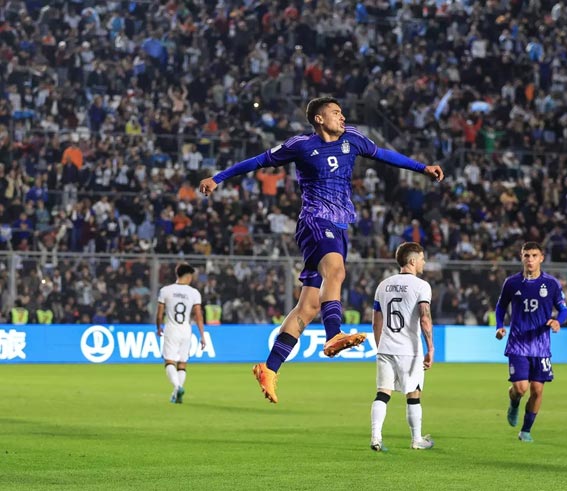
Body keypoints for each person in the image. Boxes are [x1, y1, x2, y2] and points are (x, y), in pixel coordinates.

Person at [199, 96, 444, 403]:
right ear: (319, 119)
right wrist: (218, 178)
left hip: (339, 225)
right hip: (315, 220)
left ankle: (269, 368)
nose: (343, 117)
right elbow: (258, 161)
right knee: (336, 271)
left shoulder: (353, 138)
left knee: (308, 307)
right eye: (336, 113)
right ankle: (333, 334)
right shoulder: (301, 145)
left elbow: (384, 155)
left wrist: (422, 168)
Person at [494, 242, 567, 443]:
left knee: (537, 390)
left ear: (541, 258)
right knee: (520, 388)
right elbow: (501, 307)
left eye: (534, 255)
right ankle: (514, 402)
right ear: (521, 257)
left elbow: (563, 309)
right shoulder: (512, 283)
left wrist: (557, 321)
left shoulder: (551, 284)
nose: (530, 259)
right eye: (526, 255)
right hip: (518, 343)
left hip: (541, 346)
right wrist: (499, 326)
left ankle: (525, 430)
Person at [369, 242, 435, 451]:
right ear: (413, 261)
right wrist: (431, 348)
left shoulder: (383, 285)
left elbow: (376, 322)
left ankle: (376, 438)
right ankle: (417, 439)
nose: (424, 262)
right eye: (422, 258)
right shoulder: (421, 286)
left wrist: (380, 346)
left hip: (386, 348)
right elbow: (425, 318)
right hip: (409, 351)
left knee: (382, 393)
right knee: (413, 394)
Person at [156, 263, 206, 404]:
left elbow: (159, 314)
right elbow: (198, 315)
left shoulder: (165, 290)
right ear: (188, 276)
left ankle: (177, 387)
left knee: (169, 361)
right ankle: (176, 393)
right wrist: (202, 335)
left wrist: (158, 327)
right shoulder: (194, 293)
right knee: (182, 364)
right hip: (186, 330)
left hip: (171, 329)